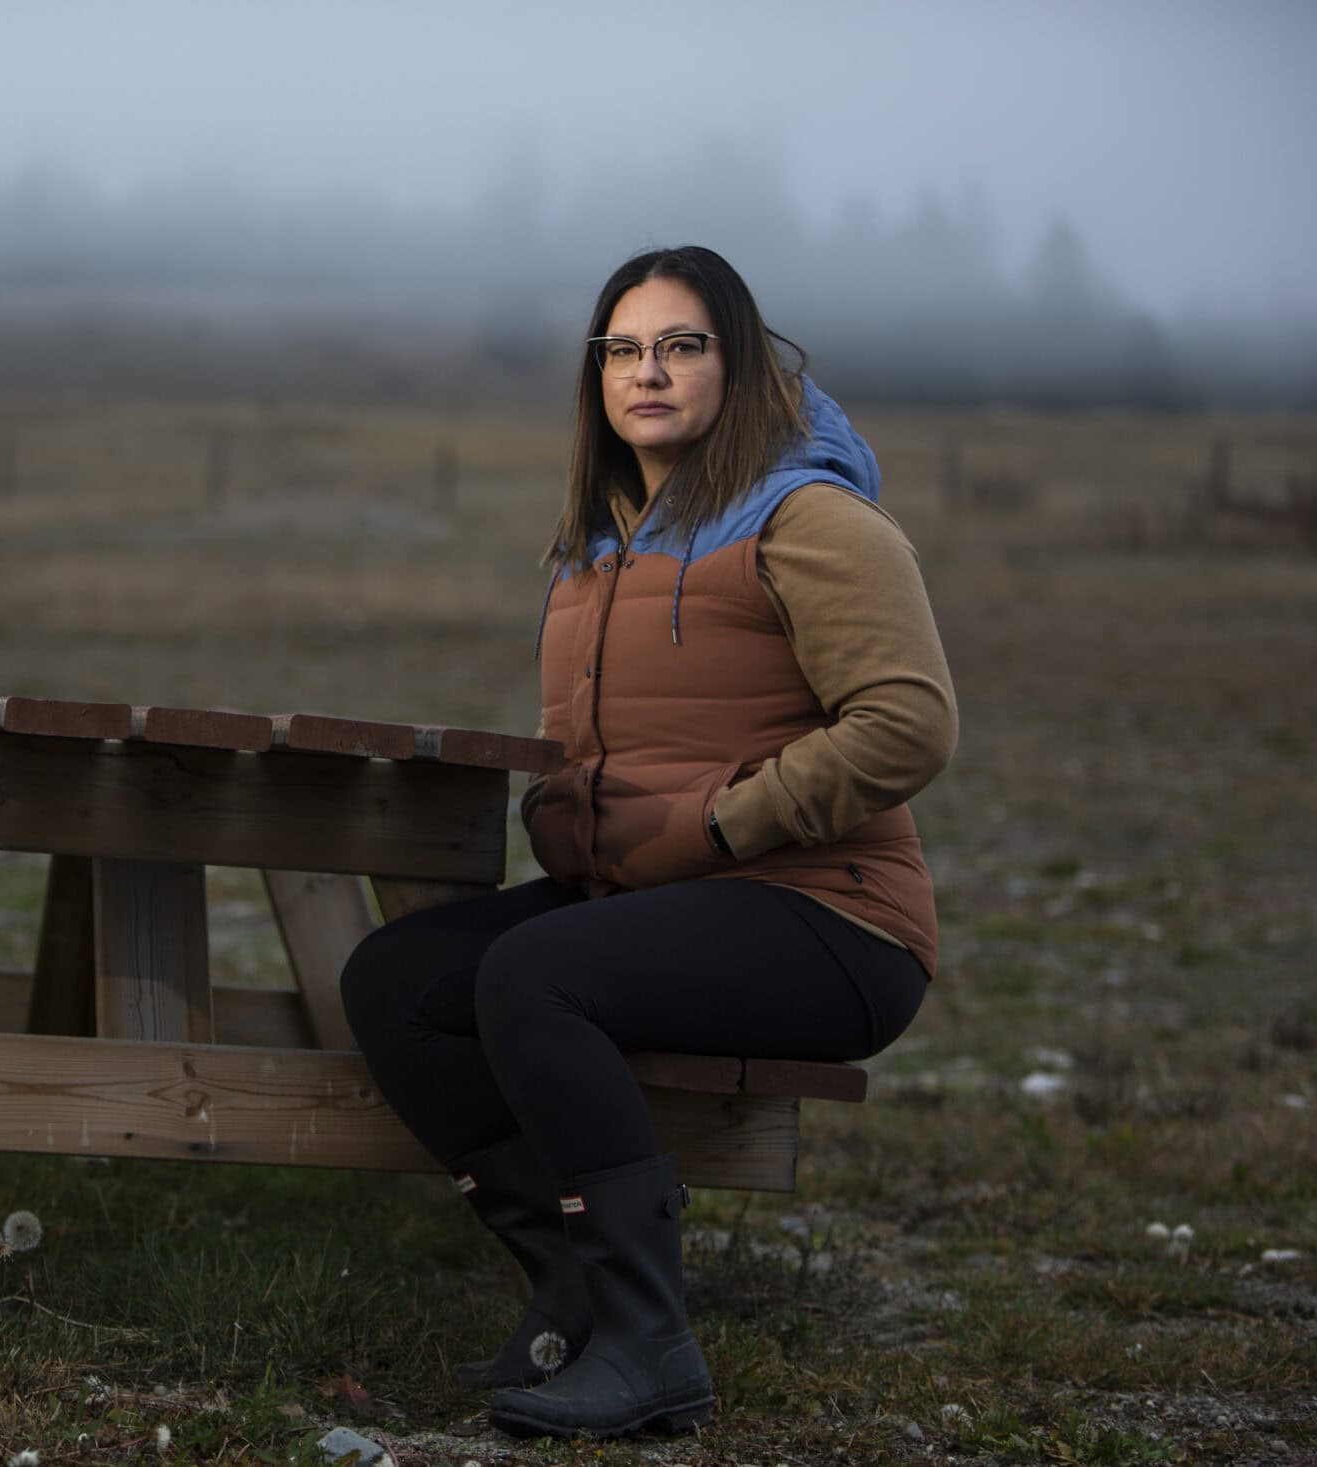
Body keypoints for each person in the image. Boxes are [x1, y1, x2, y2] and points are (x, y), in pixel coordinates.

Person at [339, 245, 956, 1440]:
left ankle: (648, 1344)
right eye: (622, 350)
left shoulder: (811, 517)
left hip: (829, 917)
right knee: (399, 979)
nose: (648, 373)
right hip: (658, 898)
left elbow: (908, 724)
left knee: (536, 975)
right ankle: (567, 1279)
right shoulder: (599, 548)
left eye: (681, 346)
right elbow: (583, 740)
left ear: (740, 363)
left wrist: (720, 821)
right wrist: (558, 811)